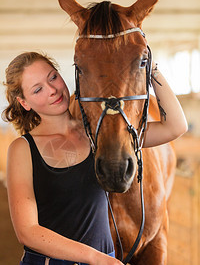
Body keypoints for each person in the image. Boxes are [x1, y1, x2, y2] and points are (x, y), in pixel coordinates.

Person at [2, 52, 187, 265]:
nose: (52, 90)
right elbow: (27, 231)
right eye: (38, 89)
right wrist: (95, 258)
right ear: (24, 102)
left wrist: (152, 68)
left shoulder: (98, 134)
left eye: (52, 77)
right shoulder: (23, 148)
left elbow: (175, 126)